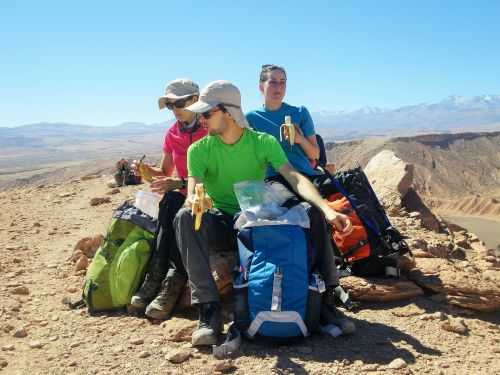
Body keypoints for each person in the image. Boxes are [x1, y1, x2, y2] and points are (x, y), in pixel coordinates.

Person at [173, 80, 355, 346]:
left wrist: (327, 209)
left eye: (207, 113)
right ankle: (208, 310)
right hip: (223, 223)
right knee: (184, 217)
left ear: (229, 112)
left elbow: (293, 176)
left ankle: (325, 299)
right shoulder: (199, 150)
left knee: (310, 213)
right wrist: (193, 199)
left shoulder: (262, 142)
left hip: (255, 221)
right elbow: (194, 187)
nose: (201, 119)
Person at [128, 78, 207, 320]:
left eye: (178, 103)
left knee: (176, 206)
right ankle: (157, 276)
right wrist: (144, 171)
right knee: (170, 202)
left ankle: (171, 281)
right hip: (181, 194)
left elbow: (218, 177)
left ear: (195, 100)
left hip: (207, 197)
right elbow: (164, 171)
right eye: (170, 105)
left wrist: (180, 184)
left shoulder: (210, 127)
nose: (174, 110)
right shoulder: (173, 132)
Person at [246, 64, 336, 197]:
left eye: (283, 82)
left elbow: (315, 155)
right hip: (275, 180)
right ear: (261, 87)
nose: (279, 87)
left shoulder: (300, 112)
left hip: (305, 175)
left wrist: (300, 139)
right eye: (273, 82)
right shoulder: (251, 118)